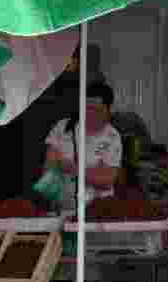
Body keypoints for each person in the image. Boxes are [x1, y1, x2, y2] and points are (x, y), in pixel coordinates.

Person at [44, 81, 122, 213]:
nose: (91, 114)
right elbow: (48, 169)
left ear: (109, 110)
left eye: (97, 109)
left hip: (98, 212)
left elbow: (107, 179)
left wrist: (74, 170)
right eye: (87, 108)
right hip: (63, 211)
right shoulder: (63, 127)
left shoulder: (113, 136)